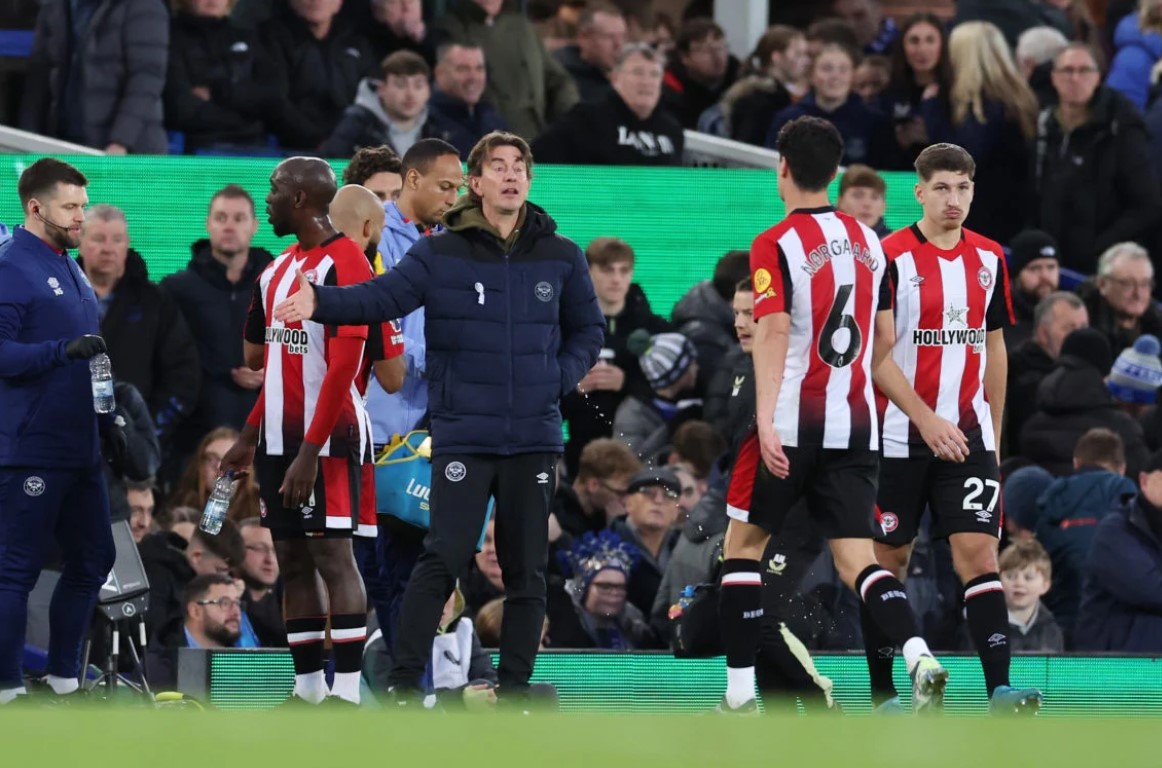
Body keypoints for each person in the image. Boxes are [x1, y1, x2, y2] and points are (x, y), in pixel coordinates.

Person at [272, 131, 605, 707]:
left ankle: (515, 691)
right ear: (475, 183)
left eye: (519, 167)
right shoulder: (440, 251)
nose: (510, 175)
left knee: (528, 571)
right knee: (441, 558)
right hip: (462, 436)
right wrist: (320, 303)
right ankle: (405, 685)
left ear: (528, 181)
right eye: (497, 167)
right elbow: (382, 299)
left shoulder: (563, 255)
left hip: (533, 435)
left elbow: (590, 332)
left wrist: (554, 377)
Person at [716, 116, 944, 715]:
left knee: (742, 550)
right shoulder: (873, 242)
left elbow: (771, 329)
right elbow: (885, 339)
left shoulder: (774, 243)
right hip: (857, 421)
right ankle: (918, 651)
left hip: (792, 420)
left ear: (781, 169)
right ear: (838, 175)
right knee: (858, 561)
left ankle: (739, 696)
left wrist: (765, 419)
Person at [869, 142, 1042, 714]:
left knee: (980, 556)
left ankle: (999, 690)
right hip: (898, 434)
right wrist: (926, 419)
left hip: (967, 436)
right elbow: (878, 355)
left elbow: (994, 350)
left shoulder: (991, 258)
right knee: (888, 561)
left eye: (964, 188)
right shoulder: (889, 257)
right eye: (942, 188)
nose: (954, 199)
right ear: (918, 192)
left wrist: (990, 434)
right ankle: (884, 692)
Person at [220, 157, 374, 707]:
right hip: (277, 439)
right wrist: (249, 433)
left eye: (277, 188)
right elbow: (278, 366)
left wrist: (310, 452)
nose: (270, 198)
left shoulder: (347, 262)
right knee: (293, 560)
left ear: (304, 199)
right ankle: (307, 689)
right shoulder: (275, 269)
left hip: (327, 439)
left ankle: (349, 693)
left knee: (335, 556)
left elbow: (341, 366)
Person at [0, 158, 123, 705]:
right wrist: (58, 352)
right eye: (71, 207)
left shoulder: (69, 266)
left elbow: (91, 354)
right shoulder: (10, 266)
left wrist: (107, 417)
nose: (80, 217)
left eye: (82, 204)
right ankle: (6, 691)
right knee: (15, 570)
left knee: (95, 558)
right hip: (31, 447)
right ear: (35, 207)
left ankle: (64, 682)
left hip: (80, 447)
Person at [998, 540, 1064, 652]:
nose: (1019, 583)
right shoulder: (981, 627)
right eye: (1010, 576)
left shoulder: (1052, 630)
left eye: (1028, 577)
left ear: (1045, 585)